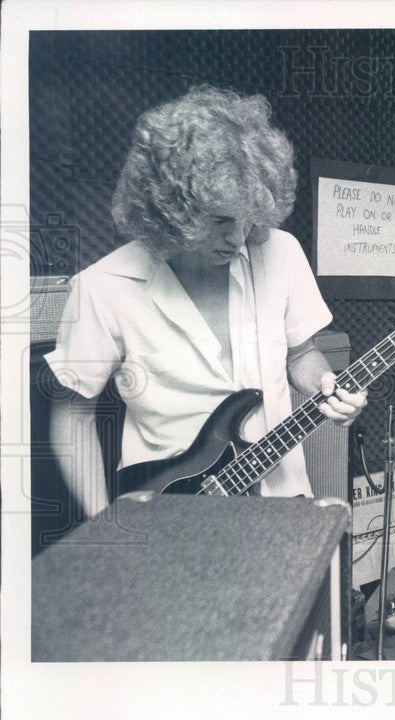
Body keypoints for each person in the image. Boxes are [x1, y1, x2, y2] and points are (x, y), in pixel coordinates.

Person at [45, 85, 367, 517]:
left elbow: (302, 355)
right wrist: (103, 523)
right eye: (218, 222)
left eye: (247, 216)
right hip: (169, 510)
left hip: (284, 501)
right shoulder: (103, 286)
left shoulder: (281, 251)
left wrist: (329, 389)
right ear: (170, 208)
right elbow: (74, 415)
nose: (237, 238)